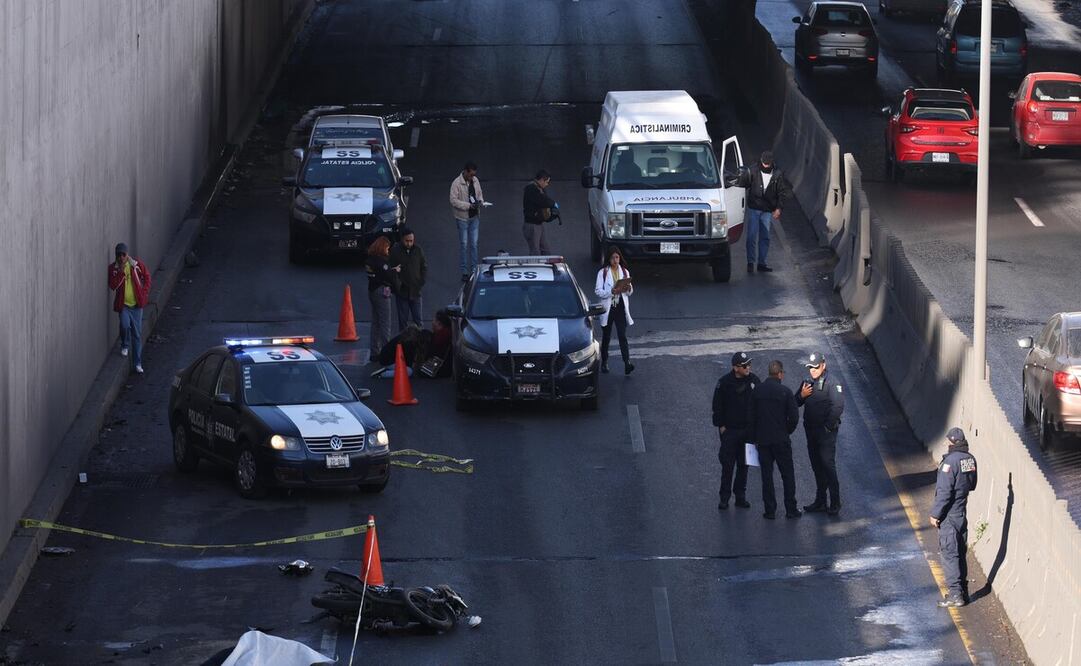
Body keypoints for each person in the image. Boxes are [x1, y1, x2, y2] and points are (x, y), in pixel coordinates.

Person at [930, 427, 978, 608]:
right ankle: (963, 592)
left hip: (949, 515)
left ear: (951, 442)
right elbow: (972, 484)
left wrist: (935, 514)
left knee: (949, 554)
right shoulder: (970, 459)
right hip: (961, 513)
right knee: (960, 552)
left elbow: (944, 491)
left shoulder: (949, 463)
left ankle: (955, 595)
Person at [750, 360, 801, 519]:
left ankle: (770, 510)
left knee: (767, 476)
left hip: (763, 441)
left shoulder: (757, 391)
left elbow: (751, 416)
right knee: (787, 475)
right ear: (780, 374)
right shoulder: (785, 392)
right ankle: (791, 509)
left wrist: (755, 437)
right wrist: (787, 431)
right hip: (781, 440)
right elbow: (794, 417)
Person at [797, 351, 845, 515]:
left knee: (828, 466)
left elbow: (838, 406)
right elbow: (795, 401)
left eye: (816, 367)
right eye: (810, 368)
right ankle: (820, 501)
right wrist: (802, 395)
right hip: (811, 432)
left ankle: (835, 502)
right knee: (816, 466)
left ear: (823, 365)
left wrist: (828, 427)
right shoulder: (808, 382)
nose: (813, 371)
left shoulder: (832, 383)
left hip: (825, 434)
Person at [712, 352, 760, 510]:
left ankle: (740, 496)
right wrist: (721, 426)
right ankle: (724, 498)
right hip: (730, 431)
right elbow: (717, 406)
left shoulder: (754, 381)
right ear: (735, 368)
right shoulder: (724, 383)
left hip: (748, 431)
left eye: (749, 364)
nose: (748, 367)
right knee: (727, 466)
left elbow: (760, 404)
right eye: (744, 365)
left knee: (744, 465)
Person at [738, 150, 791, 274]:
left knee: (765, 237)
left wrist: (779, 208)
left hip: (767, 210)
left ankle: (761, 263)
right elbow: (743, 185)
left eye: (768, 163)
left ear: (771, 162)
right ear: (761, 161)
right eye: (764, 163)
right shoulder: (753, 171)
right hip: (754, 208)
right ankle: (750, 262)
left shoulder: (777, 174)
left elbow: (782, 193)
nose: (766, 165)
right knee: (751, 236)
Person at [107, 242, 152, 374]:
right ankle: (125, 344)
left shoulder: (135, 265)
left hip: (136, 306)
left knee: (137, 335)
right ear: (116, 256)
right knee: (125, 325)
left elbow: (147, 277)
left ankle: (137, 363)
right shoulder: (113, 269)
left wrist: (144, 292)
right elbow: (113, 286)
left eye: (123, 254)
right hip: (124, 305)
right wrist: (121, 272)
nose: (121, 257)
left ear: (127, 255)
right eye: (119, 255)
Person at [594, 247, 634, 375]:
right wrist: (611, 292)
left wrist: (628, 288)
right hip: (608, 308)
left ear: (620, 258)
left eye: (617, 257)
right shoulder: (603, 273)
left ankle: (627, 363)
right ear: (608, 259)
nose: (615, 260)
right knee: (606, 336)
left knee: (622, 335)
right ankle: (604, 362)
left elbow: (630, 292)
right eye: (612, 258)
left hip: (620, 308)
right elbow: (598, 291)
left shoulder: (625, 272)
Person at [365, 236, 400, 361]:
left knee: (376, 323)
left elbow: (379, 273)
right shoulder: (382, 261)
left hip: (372, 290)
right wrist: (395, 271)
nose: (388, 250)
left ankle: (374, 351)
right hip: (382, 291)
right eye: (387, 248)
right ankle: (387, 352)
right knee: (385, 323)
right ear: (382, 247)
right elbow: (388, 276)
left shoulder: (370, 260)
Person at [449, 162, 485, 281]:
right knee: (464, 244)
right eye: (470, 175)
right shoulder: (456, 183)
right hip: (462, 218)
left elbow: (479, 194)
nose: (472, 177)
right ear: (465, 171)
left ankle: (474, 270)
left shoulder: (475, 180)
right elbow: (453, 200)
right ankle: (464, 271)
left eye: (474, 175)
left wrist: (480, 202)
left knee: (474, 244)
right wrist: (468, 206)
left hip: (474, 217)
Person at [388, 227, 427, 331]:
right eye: (407, 241)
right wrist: (397, 286)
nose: (409, 243)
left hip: (415, 291)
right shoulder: (395, 251)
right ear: (402, 239)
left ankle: (420, 340)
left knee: (418, 321)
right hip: (402, 292)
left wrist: (420, 282)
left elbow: (424, 267)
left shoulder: (418, 250)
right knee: (403, 322)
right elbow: (390, 269)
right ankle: (403, 340)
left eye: (411, 241)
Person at [522, 169, 557, 255]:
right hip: (532, 225)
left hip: (538, 224)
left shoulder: (539, 188)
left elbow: (544, 199)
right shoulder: (531, 189)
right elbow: (543, 200)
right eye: (546, 182)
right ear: (541, 180)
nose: (547, 184)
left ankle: (547, 262)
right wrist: (553, 204)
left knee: (545, 250)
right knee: (535, 252)